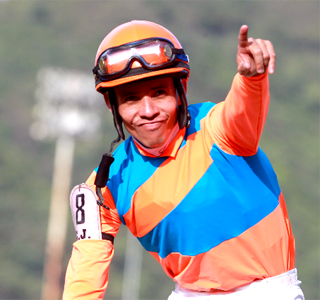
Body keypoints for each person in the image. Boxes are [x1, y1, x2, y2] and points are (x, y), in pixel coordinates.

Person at [63, 20, 305, 300]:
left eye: (159, 93)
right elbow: (86, 273)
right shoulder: (107, 183)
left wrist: (251, 80)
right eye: (131, 99)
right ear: (112, 105)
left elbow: (243, 111)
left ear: (181, 89)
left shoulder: (217, 128)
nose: (148, 111)